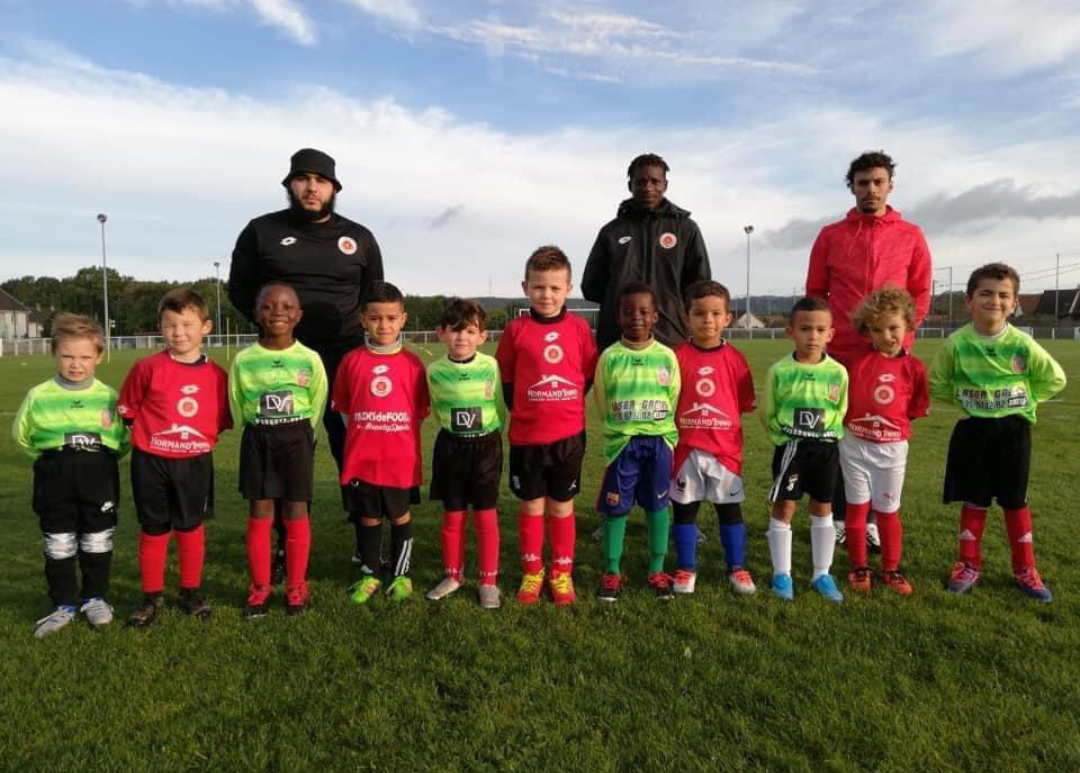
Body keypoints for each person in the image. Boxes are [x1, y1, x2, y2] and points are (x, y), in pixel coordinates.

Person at [227, 148, 385, 567]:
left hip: (345, 358)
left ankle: (365, 539)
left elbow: (374, 295)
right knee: (283, 449)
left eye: (321, 180)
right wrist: (273, 331)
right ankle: (283, 544)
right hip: (283, 361)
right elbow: (239, 290)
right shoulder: (261, 232)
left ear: (334, 188)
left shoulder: (360, 237)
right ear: (289, 185)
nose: (312, 187)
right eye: (303, 179)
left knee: (352, 447)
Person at [804, 150, 932, 549]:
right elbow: (815, 292)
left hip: (888, 355)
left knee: (882, 435)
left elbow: (920, 291)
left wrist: (902, 340)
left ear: (890, 185)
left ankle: (875, 520)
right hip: (842, 354)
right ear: (852, 187)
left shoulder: (910, 235)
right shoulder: (831, 235)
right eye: (863, 183)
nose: (871, 189)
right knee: (839, 436)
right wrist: (824, 338)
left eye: (878, 181)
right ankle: (840, 516)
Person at [930, 263, 1066, 602]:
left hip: (1014, 431)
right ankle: (968, 565)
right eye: (986, 293)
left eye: (1004, 295)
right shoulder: (957, 343)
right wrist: (969, 399)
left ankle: (1025, 569)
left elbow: (1055, 378)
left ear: (1014, 302)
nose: (995, 300)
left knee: (1014, 500)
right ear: (969, 301)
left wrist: (1025, 400)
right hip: (975, 430)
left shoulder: (1022, 343)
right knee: (975, 498)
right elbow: (936, 383)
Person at [119, 289, 231, 627]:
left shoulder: (218, 376)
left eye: (187, 324)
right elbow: (128, 409)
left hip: (194, 461)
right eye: (170, 325)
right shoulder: (146, 367)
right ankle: (152, 596)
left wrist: (191, 443)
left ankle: (190, 592)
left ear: (206, 327)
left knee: (190, 527)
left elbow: (222, 419)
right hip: (150, 462)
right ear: (160, 328)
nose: (178, 332)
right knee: (154, 528)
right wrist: (151, 439)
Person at [13, 314, 129, 638]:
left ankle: (95, 598)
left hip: (99, 478)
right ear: (54, 353)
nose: (75, 364)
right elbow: (21, 435)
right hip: (55, 480)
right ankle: (62, 604)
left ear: (99, 357)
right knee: (59, 542)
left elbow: (123, 440)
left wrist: (96, 460)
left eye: (84, 357)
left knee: (97, 539)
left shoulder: (109, 395)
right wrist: (54, 460)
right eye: (67, 356)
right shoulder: (39, 395)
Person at [495, 246, 597, 606]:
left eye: (555, 287)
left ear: (568, 287)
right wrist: (530, 411)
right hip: (527, 437)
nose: (546, 295)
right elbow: (506, 382)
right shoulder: (515, 330)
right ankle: (532, 572)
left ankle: (562, 574)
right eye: (539, 287)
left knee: (562, 506)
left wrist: (561, 409)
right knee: (533, 506)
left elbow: (586, 377)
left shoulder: (580, 329)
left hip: (568, 437)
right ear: (526, 286)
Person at [229, 284, 327, 617]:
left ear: (298, 315)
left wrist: (301, 433)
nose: (278, 312)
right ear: (257, 314)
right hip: (258, 437)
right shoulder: (244, 360)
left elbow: (318, 401)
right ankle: (260, 587)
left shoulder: (309, 359)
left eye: (287, 306)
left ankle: (297, 586)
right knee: (260, 508)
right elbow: (237, 401)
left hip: (297, 436)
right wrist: (256, 429)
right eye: (268, 306)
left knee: (296, 508)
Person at [333, 282, 429, 605]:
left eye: (390, 318)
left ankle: (402, 575)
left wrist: (393, 434)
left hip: (399, 459)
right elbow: (345, 410)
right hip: (363, 458)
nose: (383, 325)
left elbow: (419, 413)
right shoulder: (351, 361)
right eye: (375, 318)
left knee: (400, 514)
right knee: (369, 517)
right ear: (363, 319)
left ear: (403, 319)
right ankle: (370, 573)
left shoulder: (414, 364)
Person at [594, 282, 681, 602]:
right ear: (619, 316)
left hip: (658, 442)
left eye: (644, 311)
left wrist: (659, 431)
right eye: (629, 311)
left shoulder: (666, 357)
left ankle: (656, 569)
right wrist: (622, 429)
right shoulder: (611, 357)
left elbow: (672, 396)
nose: (636, 317)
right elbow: (602, 401)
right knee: (616, 508)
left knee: (658, 506)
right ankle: (613, 570)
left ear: (655, 316)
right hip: (623, 444)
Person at [668, 281, 757, 595]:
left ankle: (737, 568)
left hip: (724, 451)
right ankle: (685, 568)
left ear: (727, 318)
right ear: (686, 318)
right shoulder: (675, 357)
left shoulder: (736, 360)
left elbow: (743, 403)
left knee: (729, 511)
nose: (708, 319)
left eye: (715, 313)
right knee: (684, 510)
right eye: (700, 313)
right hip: (685, 449)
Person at [840, 288, 929, 595]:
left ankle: (891, 569)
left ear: (908, 326)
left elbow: (916, 408)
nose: (886, 335)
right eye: (877, 329)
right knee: (856, 511)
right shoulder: (855, 363)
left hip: (892, 450)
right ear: (867, 331)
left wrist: (888, 431)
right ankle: (859, 566)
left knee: (888, 511)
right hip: (854, 446)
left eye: (893, 327)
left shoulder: (915, 368)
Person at [763, 297, 848, 603]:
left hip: (826, 449)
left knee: (823, 507)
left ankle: (821, 573)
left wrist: (829, 433)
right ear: (791, 332)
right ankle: (781, 573)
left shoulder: (838, 372)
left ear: (830, 334)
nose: (813, 336)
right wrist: (781, 437)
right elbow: (768, 410)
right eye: (805, 329)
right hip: (793, 449)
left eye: (820, 329)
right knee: (785, 507)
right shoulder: (780, 371)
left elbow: (841, 408)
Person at [582, 153, 711, 352]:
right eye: (640, 182)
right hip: (617, 338)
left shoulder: (686, 229)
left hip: (670, 336)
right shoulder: (611, 231)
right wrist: (621, 305)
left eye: (655, 181)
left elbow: (699, 285)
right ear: (630, 186)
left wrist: (670, 304)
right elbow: (591, 287)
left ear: (665, 185)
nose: (648, 187)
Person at [425, 299, 504, 609]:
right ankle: (452, 575)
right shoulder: (433, 371)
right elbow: (432, 410)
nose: (462, 337)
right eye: (455, 331)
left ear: (482, 336)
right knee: (453, 515)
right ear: (441, 333)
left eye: (470, 331)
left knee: (485, 515)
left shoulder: (490, 366)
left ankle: (488, 581)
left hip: (486, 447)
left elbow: (499, 407)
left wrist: (489, 434)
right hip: (451, 449)